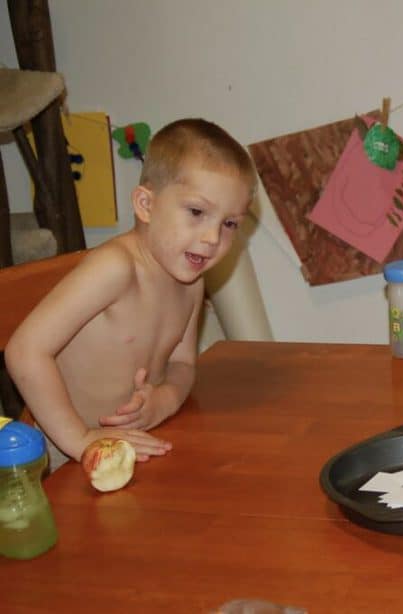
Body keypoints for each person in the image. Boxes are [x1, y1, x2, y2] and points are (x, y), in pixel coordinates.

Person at [6, 118, 257, 472]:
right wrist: (80, 439)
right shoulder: (115, 267)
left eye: (229, 223)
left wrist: (165, 399)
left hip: (131, 447)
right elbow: (24, 351)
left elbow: (182, 365)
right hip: (59, 452)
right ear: (145, 204)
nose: (213, 237)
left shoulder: (192, 283)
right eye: (197, 212)